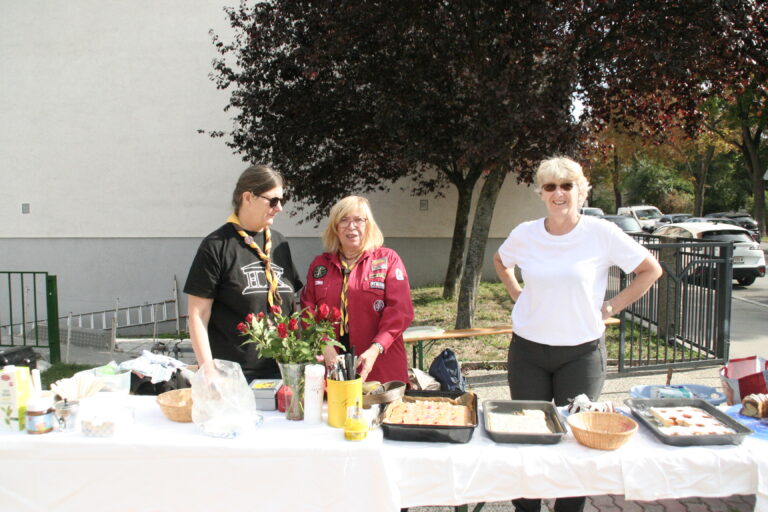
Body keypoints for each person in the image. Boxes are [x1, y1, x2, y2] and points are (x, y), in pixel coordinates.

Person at [493, 157, 662, 512]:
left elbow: (650, 270)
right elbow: (501, 261)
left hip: (581, 354)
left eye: (567, 186)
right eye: (551, 186)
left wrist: (612, 306)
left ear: (581, 191)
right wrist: (517, 295)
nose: (559, 193)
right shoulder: (526, 233)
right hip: (528, 353)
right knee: (529, 440)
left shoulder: (601, 233)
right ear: (541, 193)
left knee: (576, 442)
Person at [184, 164, 302, 381]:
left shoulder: (279, 244)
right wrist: (208, 371)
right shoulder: (216, 246)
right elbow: (198, 315)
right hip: (234, 377)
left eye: (282, 200)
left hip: (284, 372)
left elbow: (291, 305)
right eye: (273, 201)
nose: (280, 208)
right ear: (248, 197)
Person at [301, 196, 414, 383]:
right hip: (331, 366)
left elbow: (400, 311)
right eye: (343, 220)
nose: (350, 226)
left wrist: (376, 348)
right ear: (335, 228)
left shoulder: (388, 259)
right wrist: (324, 343)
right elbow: (308, 309)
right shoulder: (320, 265)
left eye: (358, 220)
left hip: (380, 364)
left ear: (368, 225)